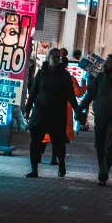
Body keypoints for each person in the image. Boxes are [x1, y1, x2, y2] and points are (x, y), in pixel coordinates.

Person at [77, 54, 112, 185]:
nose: (105, 64)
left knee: (110, 144)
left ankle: (104, 171)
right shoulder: (100, 78)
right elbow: (90, 94)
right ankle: (103, 167)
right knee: (99, 144)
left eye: (108, 62)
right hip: (100, 116)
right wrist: (80, 108)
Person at [25, 47, 77, 177]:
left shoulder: (65, 75)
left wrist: (78, 110)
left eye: (58, 57)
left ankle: (61, 163)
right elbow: (33, 92)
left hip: (57, 113)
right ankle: (34, 169)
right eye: (54, 57)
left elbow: (70, 94)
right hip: (40, 111)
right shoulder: (42, 73)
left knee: (58, 141)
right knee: (36, 141)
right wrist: (27, 109)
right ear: (48, 58)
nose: (57, 59)